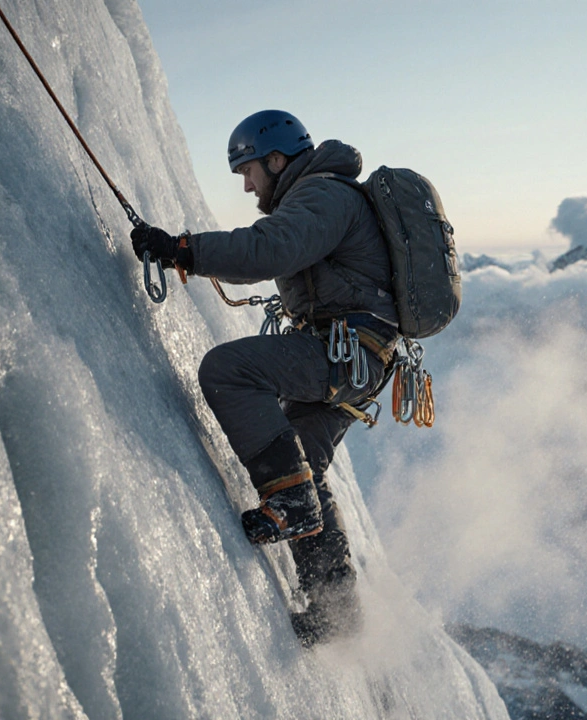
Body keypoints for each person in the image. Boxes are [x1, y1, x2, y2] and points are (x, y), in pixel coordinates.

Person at [130, 110, 399, 647]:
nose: (248, 186)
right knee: (303, 465)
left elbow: (268, 249)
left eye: (249, 171)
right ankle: (336, 609)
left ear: (276, 160)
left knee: (228, 371)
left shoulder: (322, 195)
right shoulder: (326, 194)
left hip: (343, 352)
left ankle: (292, 507)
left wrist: (182, 250)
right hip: (358, 357)